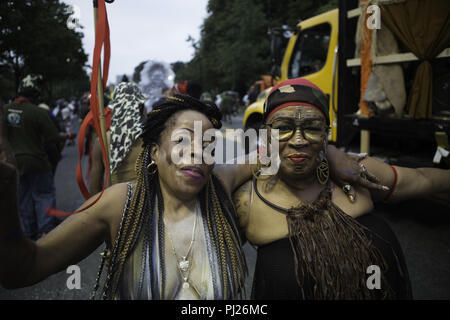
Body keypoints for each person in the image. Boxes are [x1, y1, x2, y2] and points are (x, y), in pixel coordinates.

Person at [0, 94, 380, 299]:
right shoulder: (122, 204)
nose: (199, 152)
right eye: (183, 140)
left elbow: (280, 147)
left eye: (209, 144)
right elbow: (23, 269)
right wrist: (5, 190)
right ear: (154, 151)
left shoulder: (222, 189)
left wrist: (335, 155)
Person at [232, 78, 450, 299]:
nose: (298, 140)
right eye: (283, 128)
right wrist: (261, 158)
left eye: (312, 127)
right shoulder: (248, 201)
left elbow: (422, 179)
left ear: (326, 133)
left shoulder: (358, 174)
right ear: (266, 134)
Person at [1, 75, 72, 240]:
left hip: (14, 164)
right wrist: (68, 135)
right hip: (38, 162)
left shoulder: (5, 110)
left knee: (23, 197)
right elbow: (53, 137)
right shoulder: (38, 112)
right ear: (35, 95)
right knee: (44, 195)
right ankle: (46, 232)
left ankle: (29, 233)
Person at [90, 82, 147, 194]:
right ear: (140, 107)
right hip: (146, 203)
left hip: (115, 203)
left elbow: (95, 186)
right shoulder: (153, 137)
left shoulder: (102, 141)